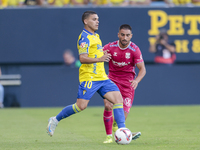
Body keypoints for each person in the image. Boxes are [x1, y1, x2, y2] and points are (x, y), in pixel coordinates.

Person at [47, 11, 126, 138]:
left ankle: (123, 131)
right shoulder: (84, 37)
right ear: (86, 21)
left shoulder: (96, 36)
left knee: (118, 99)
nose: (97, 21)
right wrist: (100, 59)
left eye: (98, 19)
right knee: (80, 106)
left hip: (102, 77)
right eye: (94, 19)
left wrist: (103, 56)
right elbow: (82, 58)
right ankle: (55, 120)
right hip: (89, 77)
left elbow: (96, 54)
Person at [102, 24, 146, 143]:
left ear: (131, 36)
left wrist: (136, 81)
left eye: (127, 35)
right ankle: (109, 136)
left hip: (128, 84)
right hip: (112, 81)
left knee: (121, 118)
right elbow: (97, 57)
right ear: (118, 35)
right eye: (122, 35)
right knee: (108, 105)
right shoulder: (110, 47)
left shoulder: (135, 50)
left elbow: (142, 69)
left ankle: (120, 132)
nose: (124, 37)